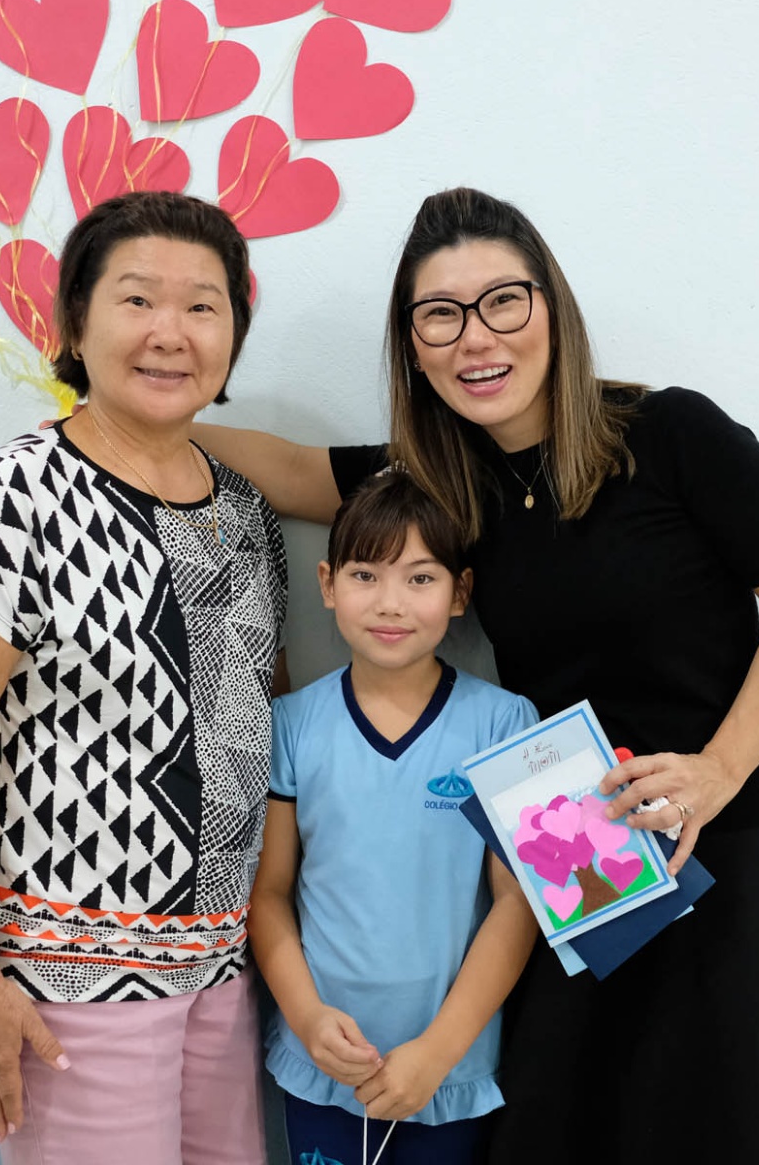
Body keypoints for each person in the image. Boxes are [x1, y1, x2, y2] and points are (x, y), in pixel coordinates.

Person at [197, 186, 759, 1162]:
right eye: (441, 314)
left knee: (734, 1128)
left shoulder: (674, 434)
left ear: (551, 307)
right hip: (572, 850)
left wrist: (717, 770)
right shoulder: (450, 479)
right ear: (414, 344)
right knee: (574, 1126)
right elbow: (295, 470)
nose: (476, 338)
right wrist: (132, 415)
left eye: (503, 301)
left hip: (722, 841)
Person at [0, 191, 287, 1165]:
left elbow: (259, 722)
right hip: (67, 988)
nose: (170, 332)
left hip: (222, 971)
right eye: (137, 299)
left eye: (203, 306)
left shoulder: (245, 514)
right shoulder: (12, 498)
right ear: (75, 323)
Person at [250, 471, 539, 1165]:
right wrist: (307, 1018)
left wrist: (440, 1052)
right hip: (323, 1064)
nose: (390, 602)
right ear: (327, 584)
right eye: (364, 575)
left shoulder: (506, 724)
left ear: (460, 592)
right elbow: (269, 894)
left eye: (420, 578)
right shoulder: (291, 724)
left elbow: (517, 904)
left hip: (450, 1068)